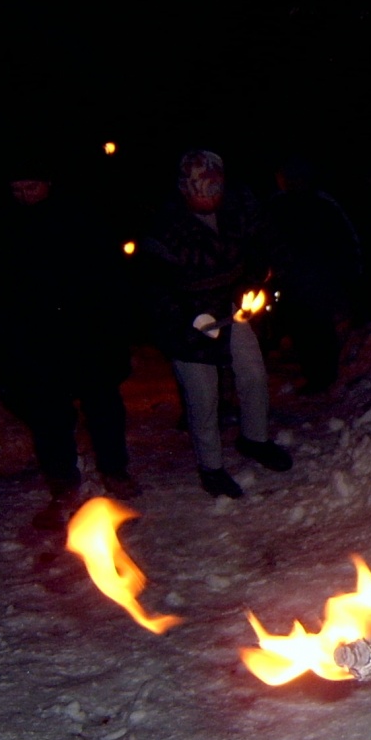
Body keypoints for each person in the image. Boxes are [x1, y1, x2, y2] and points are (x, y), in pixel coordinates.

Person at [0, 156, 140, 528]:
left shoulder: (80, 218)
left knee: (102, 403)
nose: (25, 196)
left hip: (84, 330)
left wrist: (120, 323)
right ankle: (63, 482)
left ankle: (115, 469)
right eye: (17, 190)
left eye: (31, 187)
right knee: (47, 414)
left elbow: (111, 275)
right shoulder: (0, 227)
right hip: (30, 337)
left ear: (49, 183)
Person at [139, 150, 291, 498]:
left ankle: (255, 439)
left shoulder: (238, 210)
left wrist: (259, 278)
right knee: (202, 395)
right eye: (199, 192)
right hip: (187, 323)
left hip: (231, 307)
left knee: (252, 373)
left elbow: (265, 247)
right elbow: (152, 286)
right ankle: (211, 466)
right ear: (184, 189)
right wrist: (185, 318)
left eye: (214, 191)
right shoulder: (163, 225)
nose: (208, 199)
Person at [262, 154, 362, 394]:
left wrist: (348, 276)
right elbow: (263, 239)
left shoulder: (322, 205)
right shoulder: (276, 206)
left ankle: (323, 377)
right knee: (301, 327)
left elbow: (346, 241)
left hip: (318, 280)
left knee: (318, 327)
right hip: (291, 280)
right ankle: (313, 372)